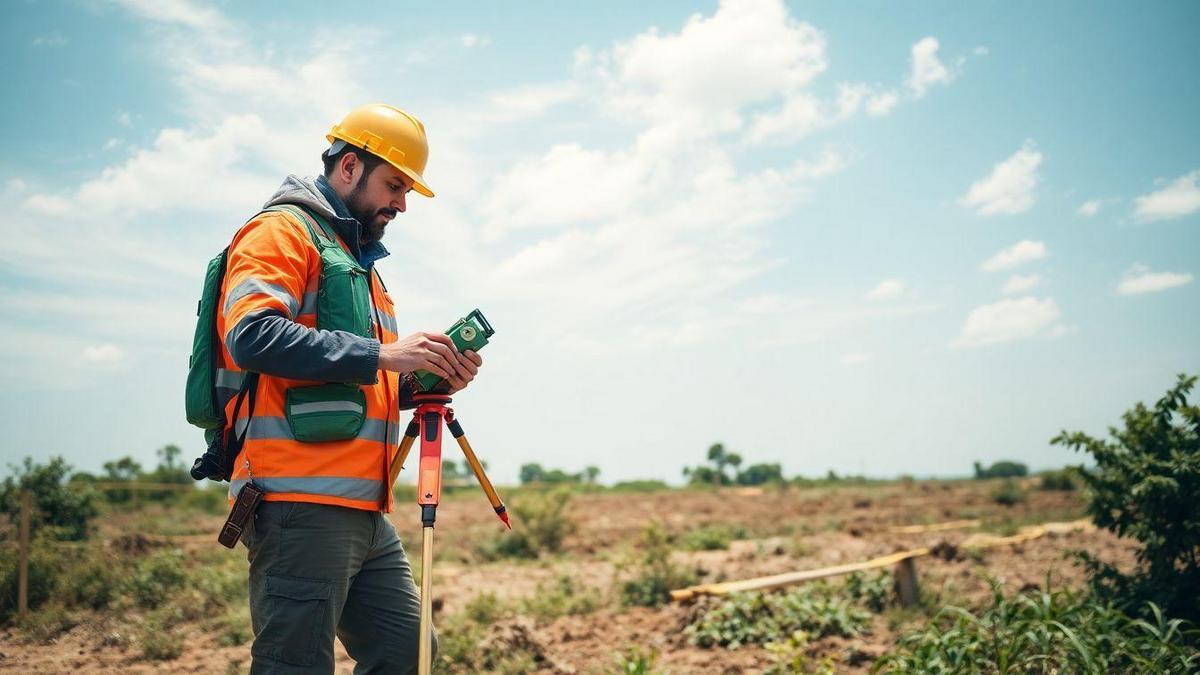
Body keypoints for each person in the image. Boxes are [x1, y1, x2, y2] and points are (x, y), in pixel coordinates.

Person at [216, 103, 478, 673]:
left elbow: (358, 383)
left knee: (407, 654)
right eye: (394, 185)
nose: (402, 205)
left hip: (364, 509)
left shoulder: (358, 264)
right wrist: (386, 353)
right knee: (297, 664)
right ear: (350, 166)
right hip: (298, 504)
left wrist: (420, 381)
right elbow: (251, 335)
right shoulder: (281, 231)